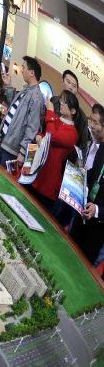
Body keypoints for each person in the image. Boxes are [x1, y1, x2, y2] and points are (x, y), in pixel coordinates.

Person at [26, 90, 79, 222]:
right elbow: (46, 135)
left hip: (48, 184)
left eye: (65, 102)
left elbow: (51, 136)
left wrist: (50, 112)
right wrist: (40, 137)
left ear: (73, 111)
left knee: (35, 219)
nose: (61, 103)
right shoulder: (55, 120)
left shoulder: (73, 134)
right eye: (62, 100)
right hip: (35, 173)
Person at [0, 56, 46, 171]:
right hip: (6, 140)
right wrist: (8, 85)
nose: (22, 70)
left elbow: (32, 128)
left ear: (32, 72)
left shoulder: (37, 97)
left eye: (23, 67)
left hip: (12, 147)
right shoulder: (26, 90)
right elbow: (14, 108)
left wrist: (23, 152)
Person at [71, 103, 104, 265]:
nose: (91, 126)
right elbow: (93, 175)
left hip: (96, 229)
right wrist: (78, 176)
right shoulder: (101, 149)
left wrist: (98, 210)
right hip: (82, 215)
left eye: (95, 123)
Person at [53, 69, 88, 151]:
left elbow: (82, 146)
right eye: (68, 82)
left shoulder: (82, 117)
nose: (70, 87)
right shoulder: (53, 101)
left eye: (74, 86)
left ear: (77, 91)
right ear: (62, 82)